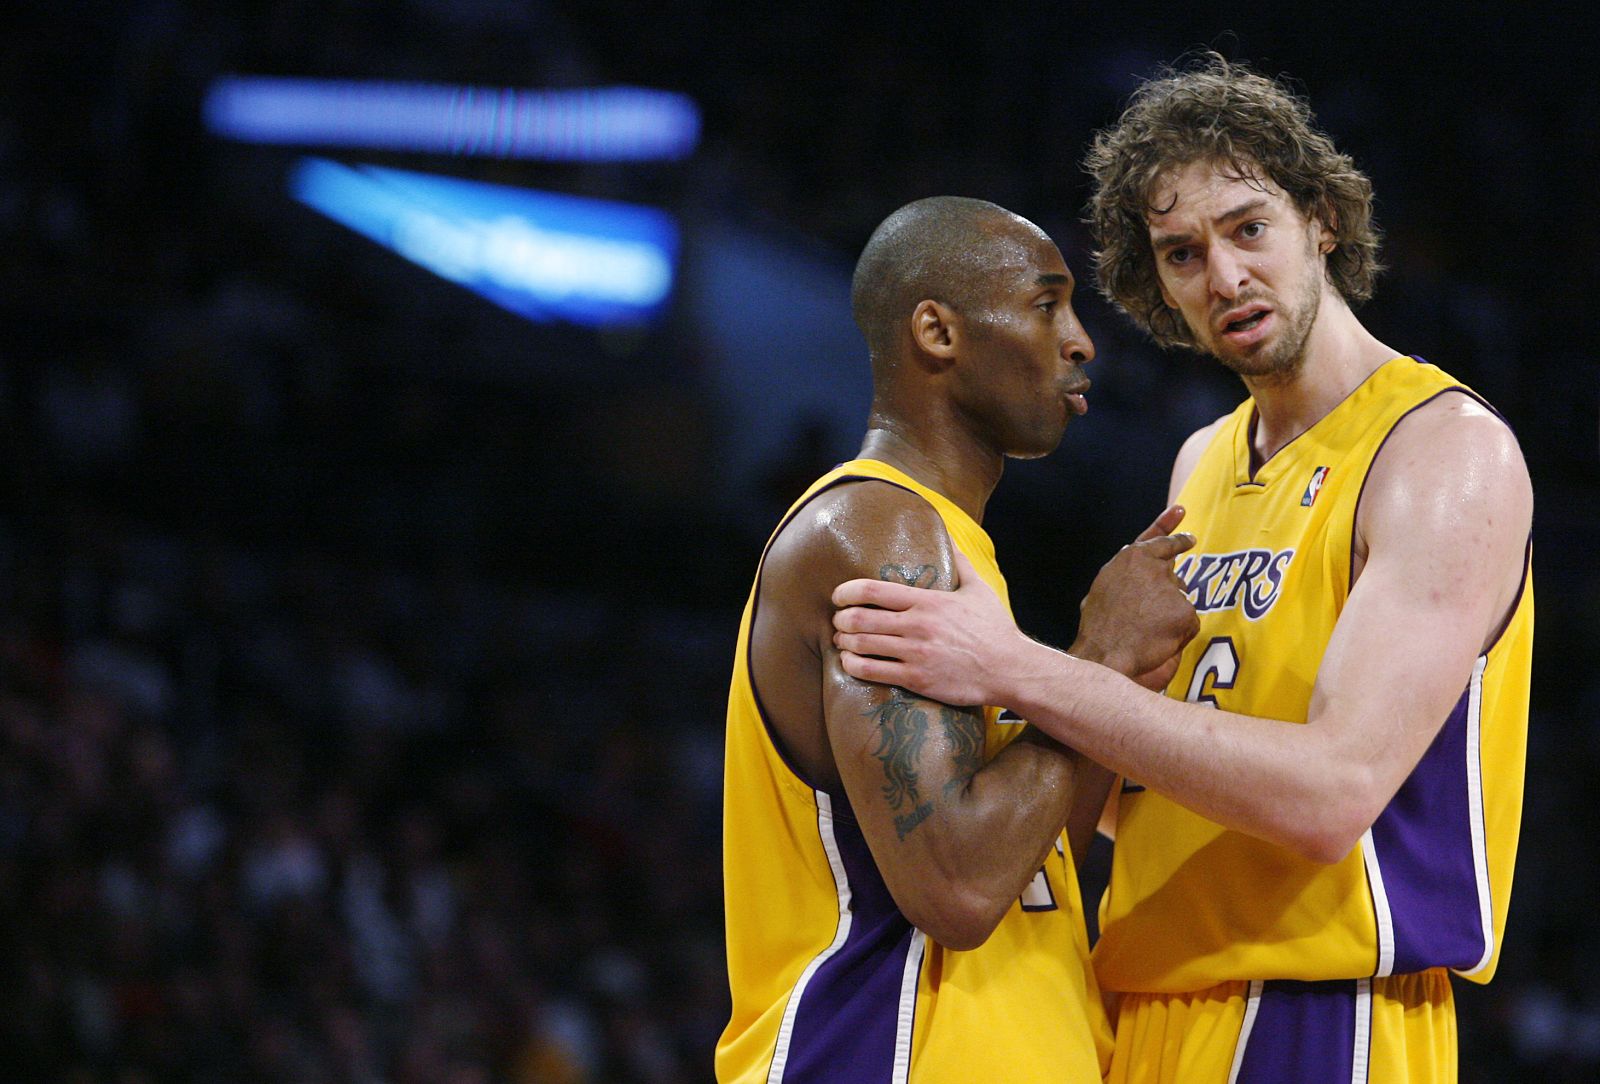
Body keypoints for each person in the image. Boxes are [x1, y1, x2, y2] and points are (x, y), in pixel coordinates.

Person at [831, 57, 1533, 1084]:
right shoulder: (1202, 462)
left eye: (1248, 228)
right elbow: (1163, 784)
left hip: (1316, 1015)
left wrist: (1022, 670)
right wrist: (961, 755)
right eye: (1181, 253)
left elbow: (1329, 794)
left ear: (1320, 221)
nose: (1225, 277)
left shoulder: (1439, 450)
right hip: (1143, 1004)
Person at [716, 195, 1199, 1083]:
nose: (1082, 341)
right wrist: (1094, 656)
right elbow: (961, 886)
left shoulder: (955, 551)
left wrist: (1115, 681)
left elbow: (1037, 854)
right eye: (1046, 304)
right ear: (936, 332)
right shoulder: (875, 531)